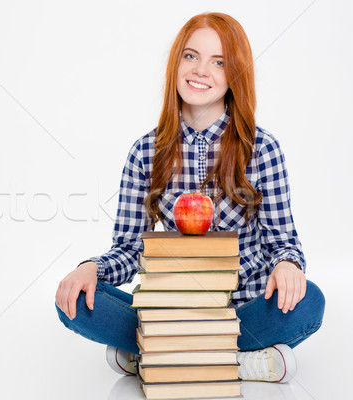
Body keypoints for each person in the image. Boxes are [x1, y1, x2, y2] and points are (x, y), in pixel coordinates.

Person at [55, 12, 325, 383]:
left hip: (243, 310)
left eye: (219, 62)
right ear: (176, 63)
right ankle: (234, 360)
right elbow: (132, 249)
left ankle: (158, 355)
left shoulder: (261, 149)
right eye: (191, 55)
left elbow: (283, 243)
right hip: (172, 312)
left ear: (236, 75)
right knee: (76, 302)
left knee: (309, 302)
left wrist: (289, 267)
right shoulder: (145, 152)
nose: (201, 70)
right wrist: (92, 268)